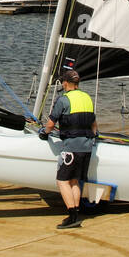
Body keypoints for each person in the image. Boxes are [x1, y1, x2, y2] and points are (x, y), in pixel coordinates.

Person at [43, 68, 97, 229]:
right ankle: (76, 213)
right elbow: (93, 125)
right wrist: (94, 138)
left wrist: (44, 133)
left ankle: (72, 216)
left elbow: (51, 124)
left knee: (62, 181)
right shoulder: (87, 97)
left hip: (71, 147)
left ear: (65, 83)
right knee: (74, 181)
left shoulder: (63, 100)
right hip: (87, 147)